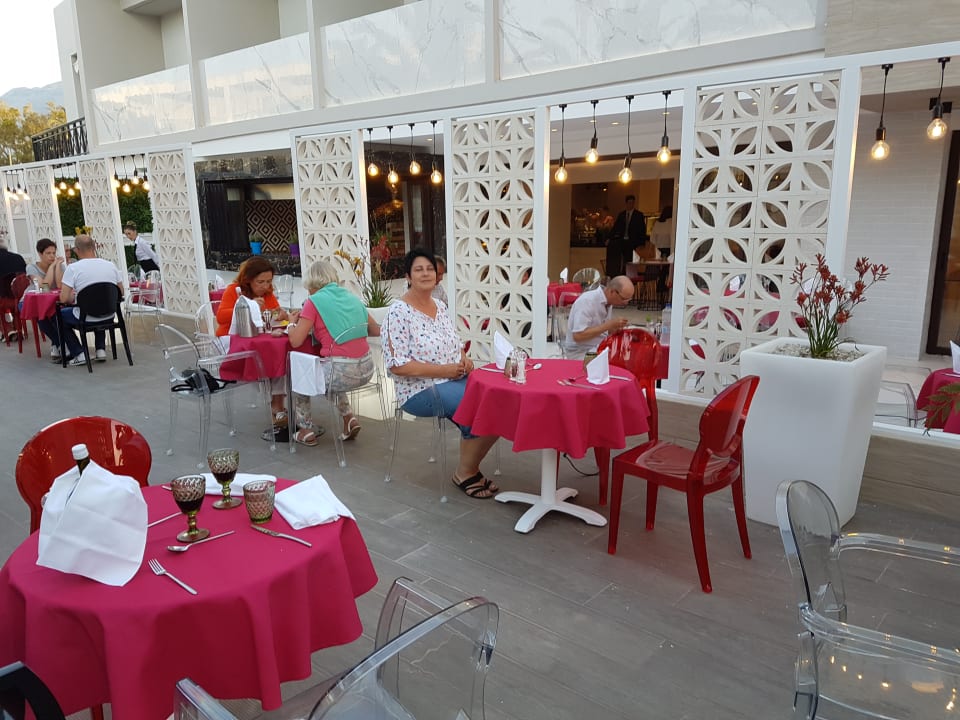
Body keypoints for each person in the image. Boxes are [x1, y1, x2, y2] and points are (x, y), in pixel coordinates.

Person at [382, 248, 499, 499]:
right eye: (419, 269)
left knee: (498, 400)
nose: (426, 274)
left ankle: (469, 469)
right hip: (418, 389)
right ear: (408, 276)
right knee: (478, 407)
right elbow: (397, 365)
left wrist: (464, 359)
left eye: (430, 269)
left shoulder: (440, 306)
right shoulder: (398, 312)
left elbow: (454, 343)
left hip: (453, 378)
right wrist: (444, 370)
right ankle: (465, 473)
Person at [286, 260, 381, 446]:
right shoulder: (352, 298)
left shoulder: (313, 302)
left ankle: (305, 430)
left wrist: (291, 323)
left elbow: (295, 341)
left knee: (302, 374)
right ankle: (349, 419)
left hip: (340, 372)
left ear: (311, 284)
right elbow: (375, 329)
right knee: (328, 370)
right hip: (367, 368)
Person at [215, 257, 299, 439]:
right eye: (260, 282)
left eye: (268, 281)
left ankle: (277, 405)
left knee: (280, 356)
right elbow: (221, 317)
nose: (265, 286)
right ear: (248, 279)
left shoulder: (267, 293)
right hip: (233, 340)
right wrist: (250, 306)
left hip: (260, 338)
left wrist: (281, 314)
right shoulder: (234, 290)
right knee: (272, 356)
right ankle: (277, 406)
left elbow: (275, 312)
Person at [57, 234, 124, 366]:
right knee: (99, 303)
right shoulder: (110, 265)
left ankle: (79, 353)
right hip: (109, 315)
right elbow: (120, 292)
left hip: (86, 316)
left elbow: (64, 298)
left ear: (76, 250)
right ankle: (100, 349)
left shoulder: (73, 268)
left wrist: (75, 297)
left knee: (59, 315)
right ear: (94, 247)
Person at [563, 275, 634, 360]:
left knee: (630, 354)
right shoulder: (587, 301)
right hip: (580, 352)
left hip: (598, 347)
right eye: (623, 299)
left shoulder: (608, 302)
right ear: (612, 291)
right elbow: (578, 336)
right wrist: (608, 325)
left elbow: (600, 330)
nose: (625, 303)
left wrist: (614, 328)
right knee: (619, 361)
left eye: (628, 300)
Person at [606, 195, 647, 277]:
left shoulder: (638, 215)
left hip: (633, 242)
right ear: (626, 203)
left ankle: (631, 276)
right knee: (623, 260)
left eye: (632, 203)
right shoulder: (622, 215)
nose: (631, 205)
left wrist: (642, 243)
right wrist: (609, 238)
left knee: (631, 260)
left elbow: (642, 229)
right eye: (629, 203)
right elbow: (615, 228)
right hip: (623, 241)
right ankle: (623, 274)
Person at [0, 235, 26, 342]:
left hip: (3, 300)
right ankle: (18, 329)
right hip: (21, 299)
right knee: (14, 297)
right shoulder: (18, 258)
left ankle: (7, 330)